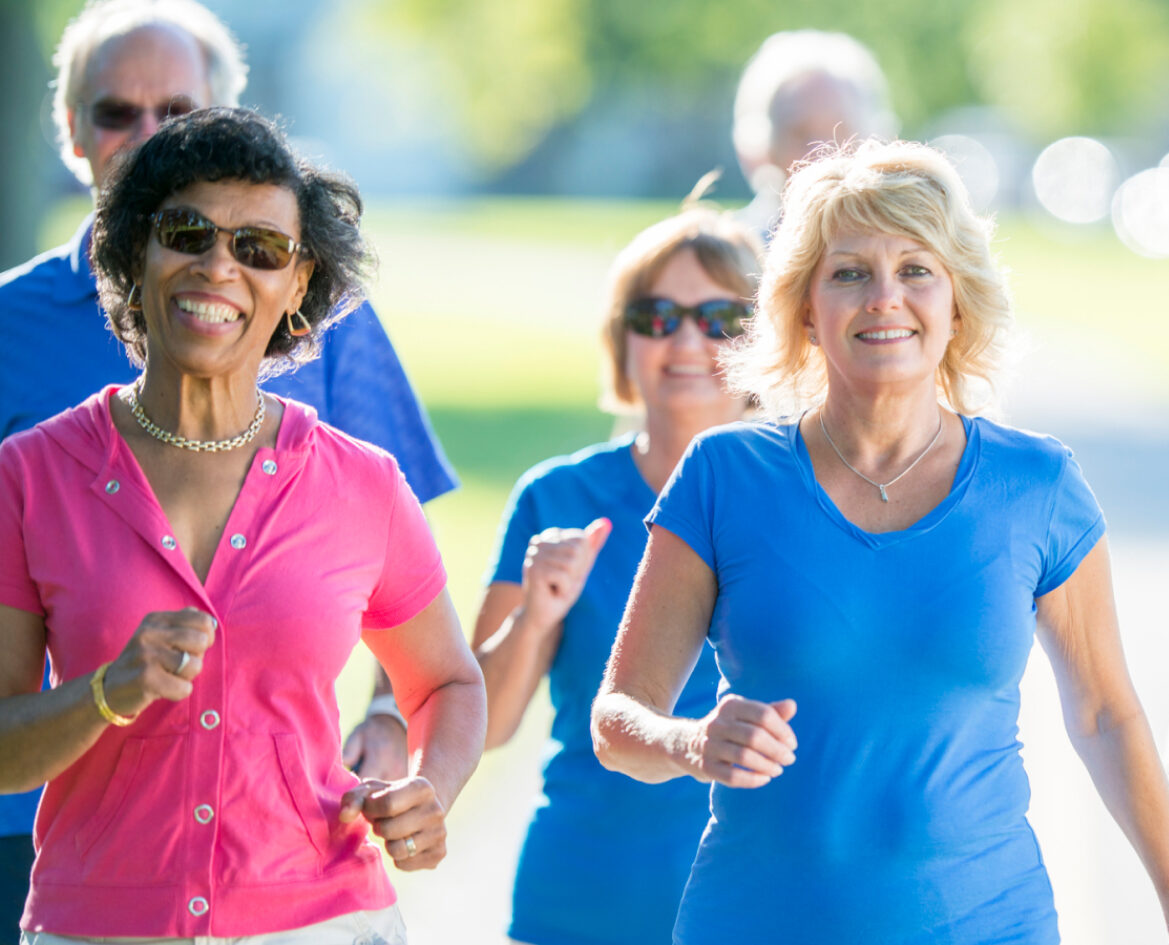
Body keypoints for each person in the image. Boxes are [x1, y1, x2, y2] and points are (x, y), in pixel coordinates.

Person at [591, 140, 1169, 945]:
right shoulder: (724, 474)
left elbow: (1105, 714)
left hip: (989, 924)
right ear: (805, 305)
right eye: (850, 271)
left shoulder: (1038, 484)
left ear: (958, 301)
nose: (885, 297)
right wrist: (692, 740)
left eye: (916, 269)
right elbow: (616, 721)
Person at [0, 0, 455, 918]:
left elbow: (415, 624)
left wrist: (394, 732)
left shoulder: (345, 373)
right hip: (75, 865)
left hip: (315, 894)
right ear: (74, 134)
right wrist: (101, 693)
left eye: (177, 110)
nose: (219, 267)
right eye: (115, 112)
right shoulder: (26, 433)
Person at [473, 199, 759, 945]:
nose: (688, 340)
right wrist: (534, 614)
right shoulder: (556, 497)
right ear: (622, 338)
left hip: (758, 903)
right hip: (580, 900)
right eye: (658, 315)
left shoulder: (808, 496)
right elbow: (483, 725)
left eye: (721, 317)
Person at [732, 30, 899, 238]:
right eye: (801, 134)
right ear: (766, 145)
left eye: (840, 131)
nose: (822, 152)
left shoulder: (899, 244)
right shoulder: (734, 253)